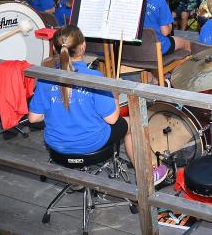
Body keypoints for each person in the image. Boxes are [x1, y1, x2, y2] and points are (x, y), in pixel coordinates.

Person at [28, 26, 169, 184]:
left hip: (56, 145)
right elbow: (112, 119)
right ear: (83, 46)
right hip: (90, 143)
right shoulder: (94, 78)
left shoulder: (45, 77)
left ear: (54, 48)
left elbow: (34, 118)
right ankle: (148, 173)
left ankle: (78, 176)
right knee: (133, 122)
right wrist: (114, 95)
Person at [124, 0, 191, 60]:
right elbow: (165, 32)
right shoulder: (158, 0)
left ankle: (153, 74)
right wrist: (170, 24)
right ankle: (177, 73)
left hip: (129, 47)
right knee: (186, 44)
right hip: (155, 47)